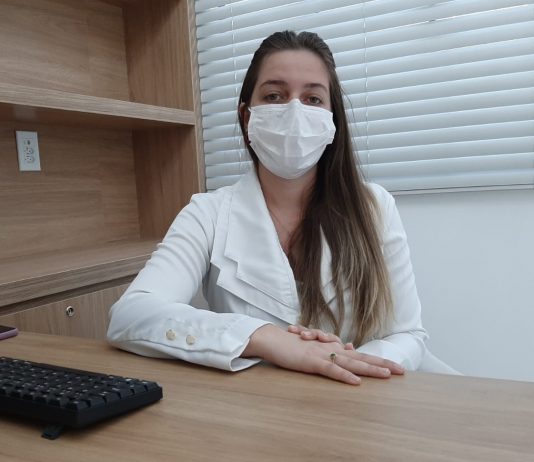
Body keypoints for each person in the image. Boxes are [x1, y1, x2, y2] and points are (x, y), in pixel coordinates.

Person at [107, 30, 435, 385]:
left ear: (332, 121)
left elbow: (408, 335)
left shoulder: (375, 207)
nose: (294, 111)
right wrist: (264, 338)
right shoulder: (207, 213)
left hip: (359, 400)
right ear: (247, 117)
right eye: (274, 96)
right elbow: (130, 315)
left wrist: (345, 364)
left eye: (312, 99)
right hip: (258, 407)